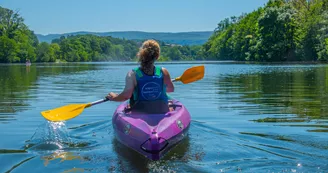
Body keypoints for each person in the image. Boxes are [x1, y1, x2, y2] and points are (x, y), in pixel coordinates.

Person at [106, 40, 174, 113]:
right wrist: (156, 90)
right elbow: (170, 89)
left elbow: (126, 96)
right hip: (161, 110)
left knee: (132, 98)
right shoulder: (163, 72)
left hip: (140, 111)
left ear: (141, 55)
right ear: (157, 56)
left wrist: (114, 97)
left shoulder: (132, 74)